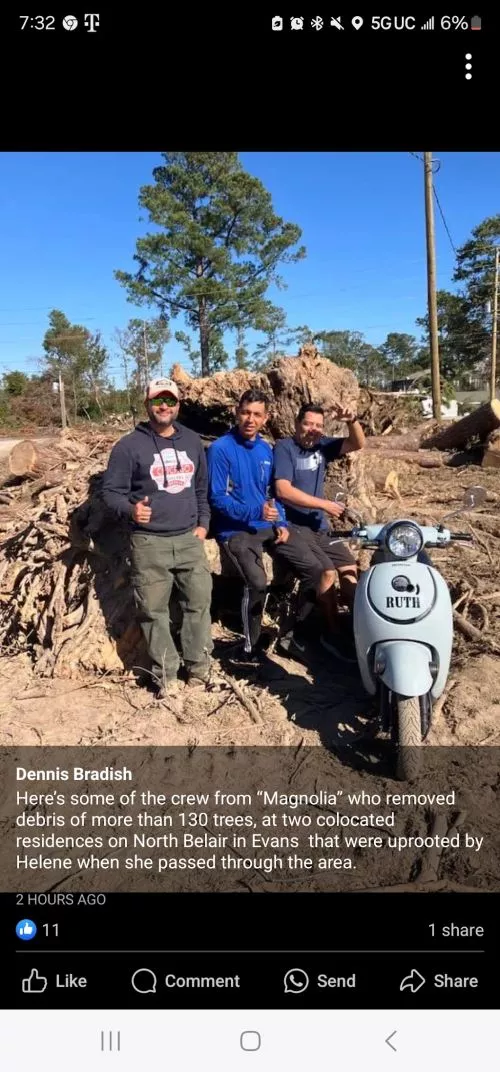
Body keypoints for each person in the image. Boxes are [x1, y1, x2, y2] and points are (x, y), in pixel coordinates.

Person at [101, 377, 213, 696]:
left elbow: (202, 488)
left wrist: (203, 523)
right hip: (149, 543)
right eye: (157, 400)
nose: (164, 406)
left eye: (170, 400)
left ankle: (200, 670)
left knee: (198, 604)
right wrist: (131, 510)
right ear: (147, 404)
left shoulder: (192, 442)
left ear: (178, 405)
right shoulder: (128, 447)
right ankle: (167, 676)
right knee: (153, 611)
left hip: (190, 540)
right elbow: (111, 493)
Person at [206, 389, 331, 663]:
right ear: (236, 413)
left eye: (257, 415)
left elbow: (272, 493)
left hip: (268, 526)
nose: (250, 419)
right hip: (235, 530)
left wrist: (282, 520)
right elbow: (217, 499)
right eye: (245, 413)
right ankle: (249, 650)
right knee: (257, 582)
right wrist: (255, 510)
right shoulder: (220, 449)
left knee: (317, 571)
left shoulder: (265, 449)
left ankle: (290, 634)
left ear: (266, 418)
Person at [273, 401, 365, 661]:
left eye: (318, 425)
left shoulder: (323, 446)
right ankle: (332, 634)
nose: (313, 430)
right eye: (308, 423)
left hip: (321, 527)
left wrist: (352, 420)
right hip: (295, 525)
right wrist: (324, 504)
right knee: (326, 574)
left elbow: (357, 443)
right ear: (297, 423)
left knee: (350, 573)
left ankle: (360, 630)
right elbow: (283, 490)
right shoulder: (284, 448)